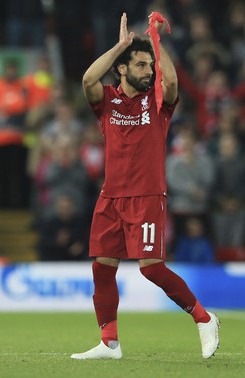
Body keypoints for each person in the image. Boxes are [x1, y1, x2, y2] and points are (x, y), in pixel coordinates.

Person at [71, 13, 220, 360]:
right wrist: (121, 46)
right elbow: (88, 78)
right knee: (102, 268)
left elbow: (170, 84)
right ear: (122, 69)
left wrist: (155, 42)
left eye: (149, 65)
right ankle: (109, 343)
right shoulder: (107, 100)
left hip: (147, 196)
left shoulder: (157, 104)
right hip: (110, 197)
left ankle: (204, 318)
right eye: (140, 65)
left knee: (151, 267)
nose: (148, 70)